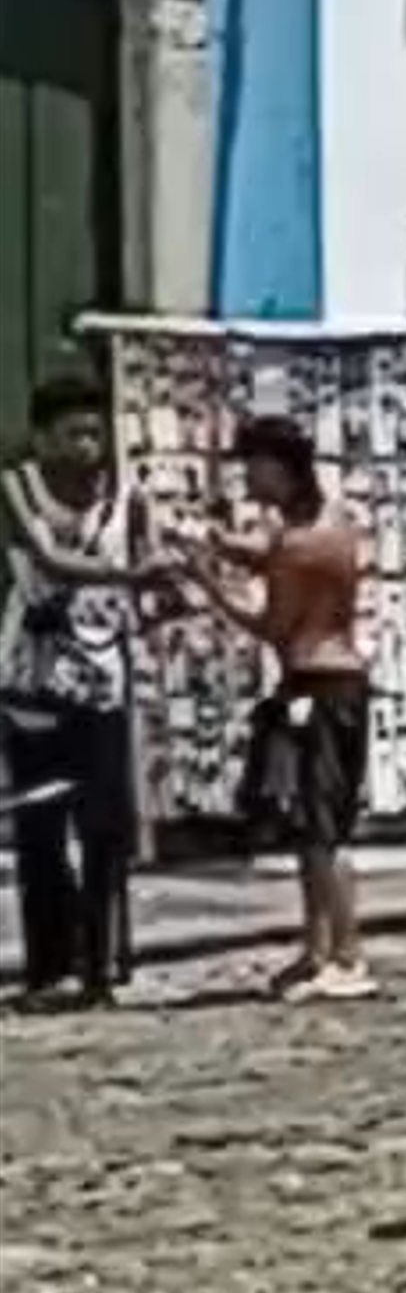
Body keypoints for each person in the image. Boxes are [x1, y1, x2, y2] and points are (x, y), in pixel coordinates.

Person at [3, 378, 155, 1010]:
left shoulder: (128, 497)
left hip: (104, 680)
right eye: (72, 435)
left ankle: (100, 965)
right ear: (43, 438)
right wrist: (131, 575)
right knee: (39, 826)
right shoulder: (19, 487)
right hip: (32, 679)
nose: (87, 448)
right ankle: (49, 966)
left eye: (95, 433)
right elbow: (47, 559)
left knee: (106, 827)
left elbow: (149, 575)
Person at [225, 404, 373, 1000]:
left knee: (320, 829)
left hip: (315, 682)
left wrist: (209, 586)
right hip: (342, 682)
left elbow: (272, 627)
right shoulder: (334, 521)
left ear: (277, 468)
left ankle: (348, 953)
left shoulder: (294, 542)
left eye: (253, 468)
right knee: (313, 826)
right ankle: (316, 951)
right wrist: (224, 547)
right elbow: (280, 556)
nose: (248, 481)